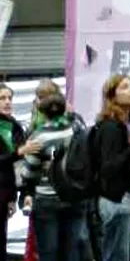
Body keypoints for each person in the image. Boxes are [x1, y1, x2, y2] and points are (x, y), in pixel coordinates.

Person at [20, 91, 85, 261]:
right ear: (64, 109)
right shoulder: (76, 131)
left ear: (42, 112)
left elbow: (29, 172)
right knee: (72, 252)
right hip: (74, 197)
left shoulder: (39, 136)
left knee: (49, 252)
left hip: (46, 200)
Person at [95, 75, 130, 261]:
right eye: (124, 87)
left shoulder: (121, 126)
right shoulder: (111, 128)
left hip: (122, 199)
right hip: (115, 200)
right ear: (112, 96)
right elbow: (108, 167)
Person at [0, 83, 37, 261]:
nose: (7, 102)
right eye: (2, 98)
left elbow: (16, 168)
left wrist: (12, 198)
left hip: (5, 193)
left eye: (9, 98)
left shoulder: (14, 126)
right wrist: (18, 152)